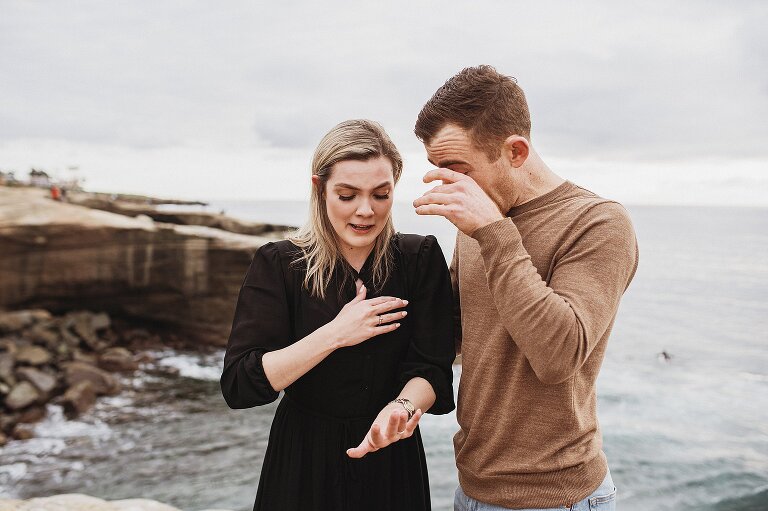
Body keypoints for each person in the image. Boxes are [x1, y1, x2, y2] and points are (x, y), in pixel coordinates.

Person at [412, 66, 639, 511]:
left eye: (458, 169)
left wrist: (494, 232)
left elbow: (558, 356)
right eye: (438, 170)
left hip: (557, 498)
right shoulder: (479, 219)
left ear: (515, 151)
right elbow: (453, 336)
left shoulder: (599, 223)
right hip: (472, 487)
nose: (448, 185)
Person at [221, 119, 456, 511]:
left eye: (381, 195)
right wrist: (335, 334)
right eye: (347, 195)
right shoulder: (279, 263)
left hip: (392, 460)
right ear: (319, 189)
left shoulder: (420, 258)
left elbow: (432, 368)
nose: (366, 211)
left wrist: (401, 410)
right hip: (301, 463)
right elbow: (240, 384)